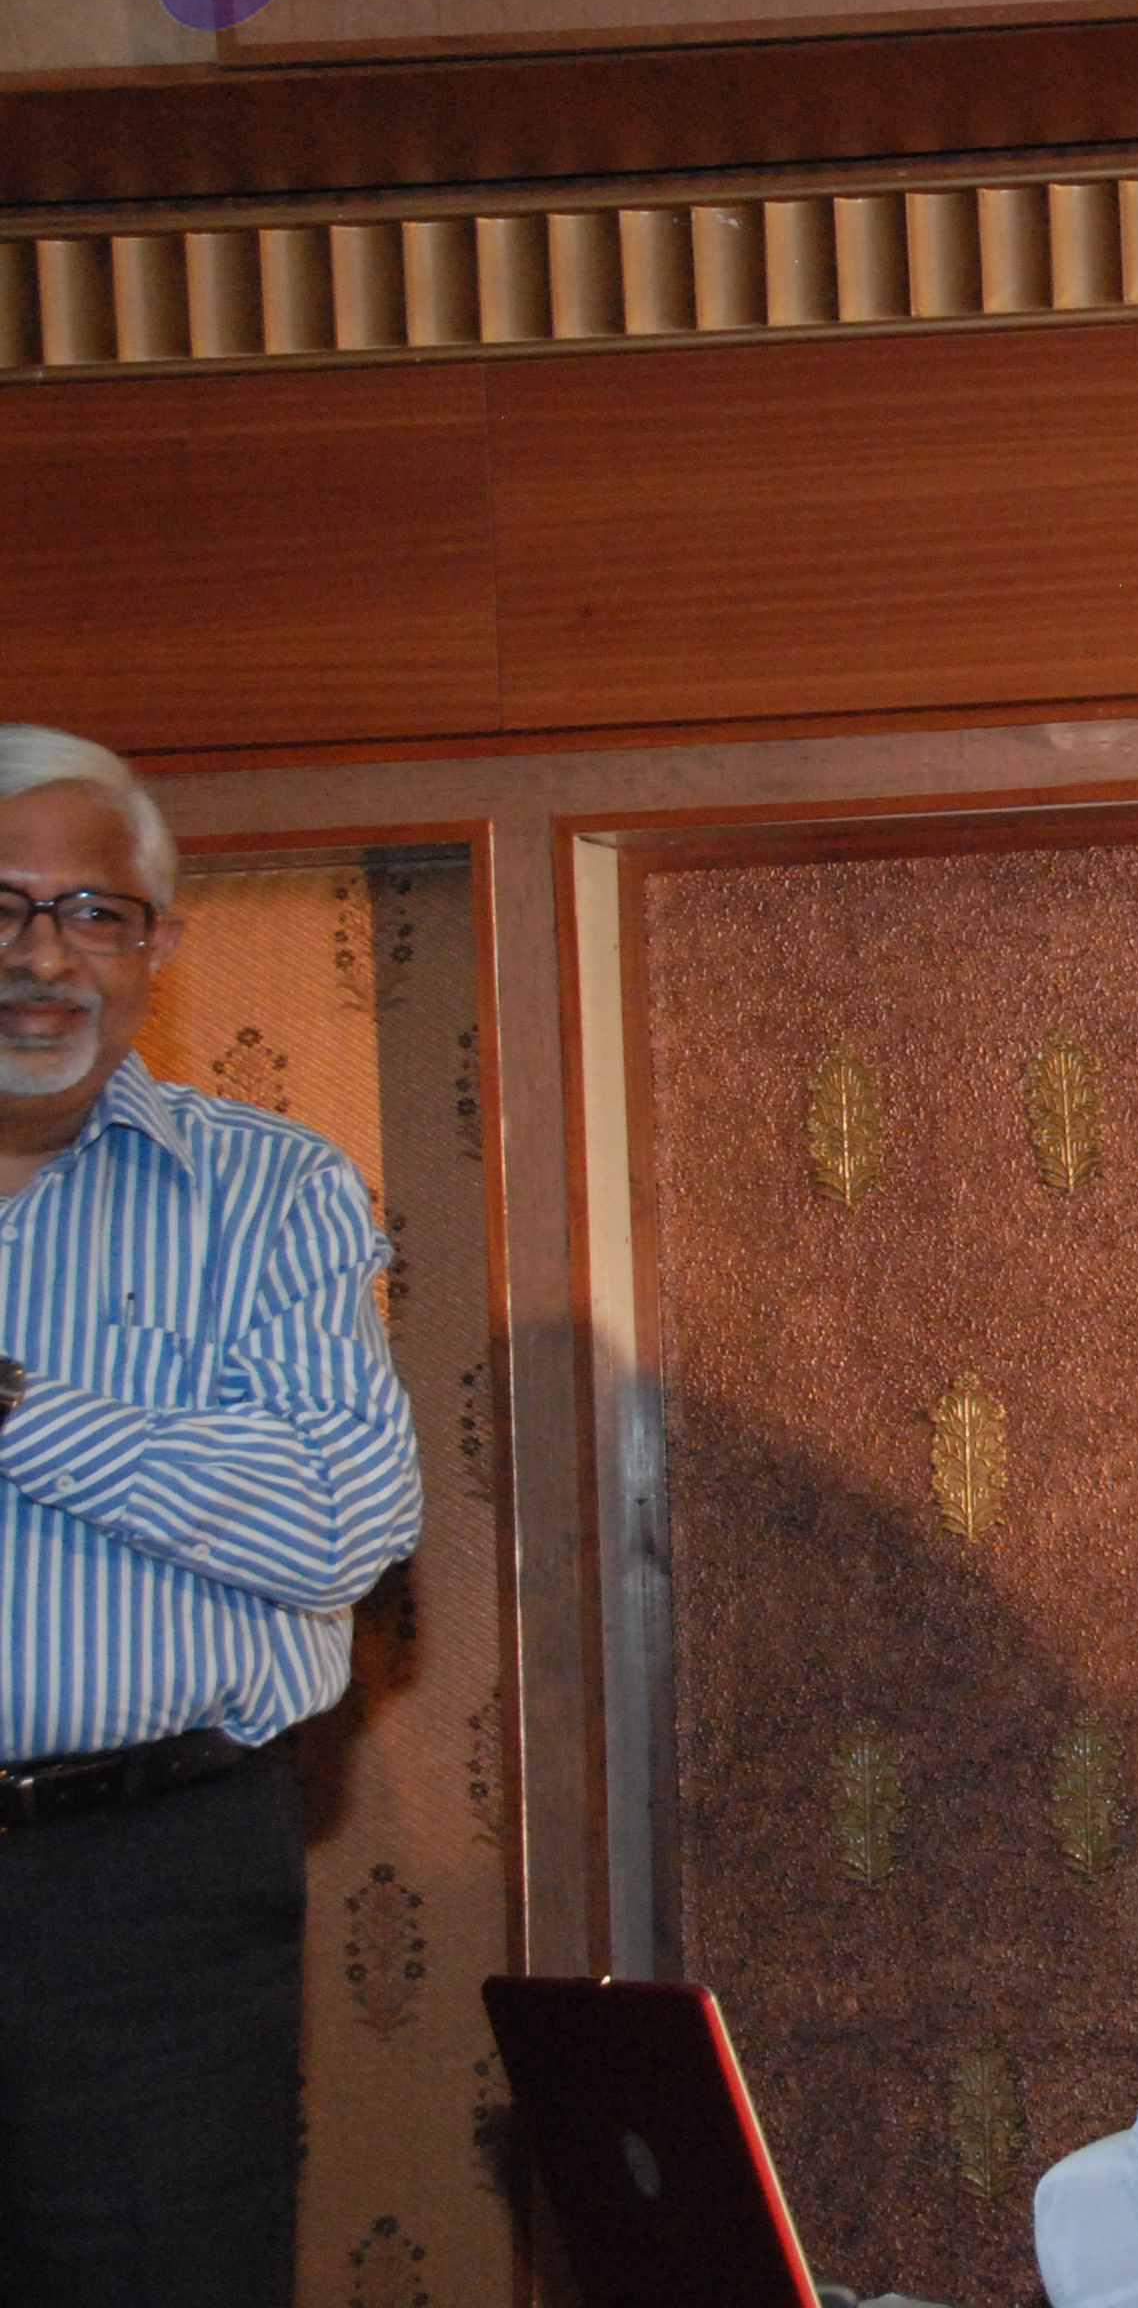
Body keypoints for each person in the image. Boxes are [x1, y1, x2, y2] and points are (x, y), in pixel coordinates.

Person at [0, 726, 425, 2308]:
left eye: (93, 913)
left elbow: (343, 1525)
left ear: (159, 949)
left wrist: (22, 1411)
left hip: (148, 1897)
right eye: (0, 907)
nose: (44, 956)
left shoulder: (269, 1195)